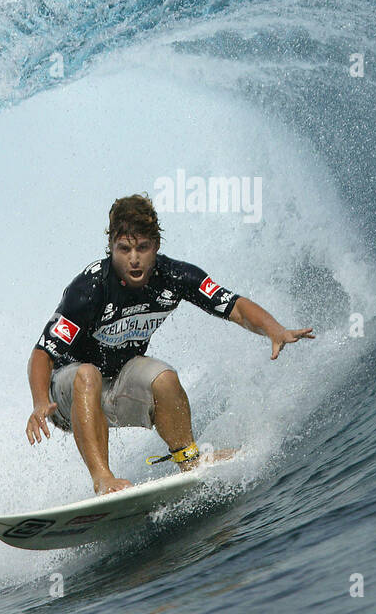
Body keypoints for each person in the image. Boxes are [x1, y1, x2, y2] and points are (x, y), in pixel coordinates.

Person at [26, 193, 314, 493]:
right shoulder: (89, 289)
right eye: (124, 249)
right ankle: (103, 478)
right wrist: (39, 403)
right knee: (88, 374)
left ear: (156, 247)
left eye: (142, 248)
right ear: (111, 248)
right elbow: (42, 353)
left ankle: (189, 460)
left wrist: (274, 330)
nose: (134, 258)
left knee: (164, 378)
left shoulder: (174, 276)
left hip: (117, 386)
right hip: (67, 396)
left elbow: (234, 306)